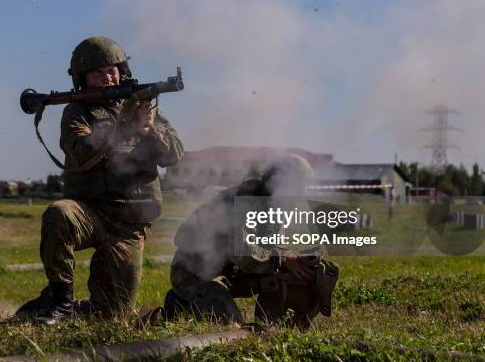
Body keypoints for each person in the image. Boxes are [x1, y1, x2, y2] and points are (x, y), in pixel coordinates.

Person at [19, 36, 184, 325]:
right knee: (59, 214)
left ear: (123, 72)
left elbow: (174, 155)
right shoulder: (77, 111)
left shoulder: (144, 109)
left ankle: (60, 309)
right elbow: (79, 150)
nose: (107, 77)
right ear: (83, 80)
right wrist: (121, 130)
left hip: (130, 225)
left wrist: (148, 130)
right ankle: (59, 301)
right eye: (97, 73)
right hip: (90, 211)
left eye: (112, 70)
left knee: (111, 316)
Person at [163, 154, 339, 328]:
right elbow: (243, 254)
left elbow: (274, 248)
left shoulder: (274, 204)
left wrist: (291, 260)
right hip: (193, 275)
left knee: (285, 276)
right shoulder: (245, 200)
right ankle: (178, 305)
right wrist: (282, 258)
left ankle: (276, 325)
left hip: (229, 272)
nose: (301, 195)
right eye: (298, 187)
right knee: (231, 325)